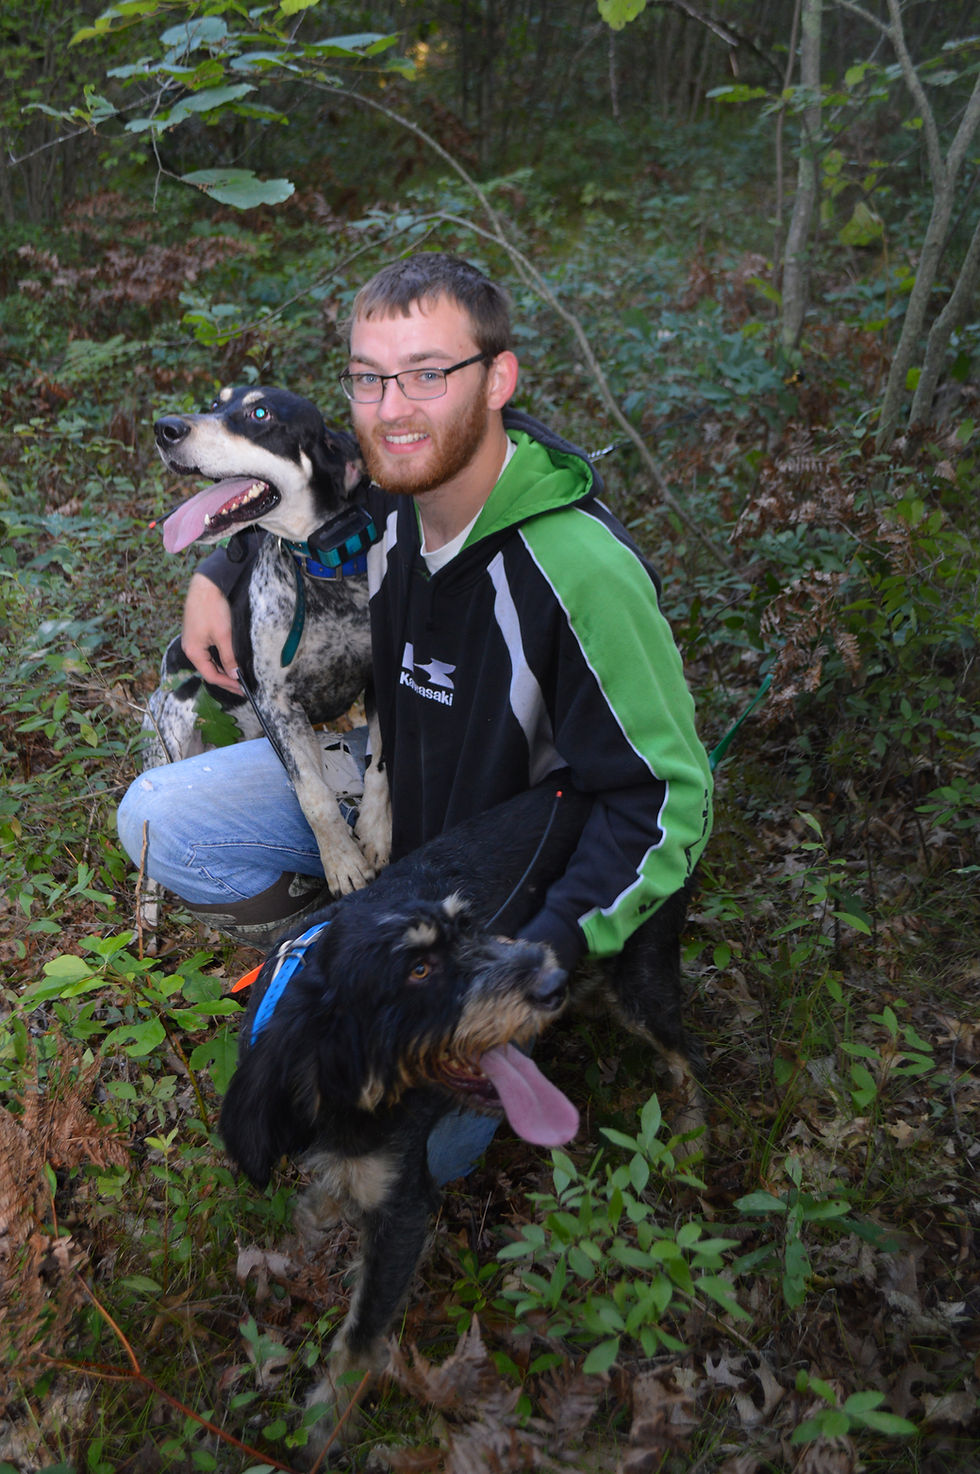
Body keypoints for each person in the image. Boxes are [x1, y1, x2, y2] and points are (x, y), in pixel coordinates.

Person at [118, 252, 713, 1181]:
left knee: (395, 1155)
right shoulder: (393, 511)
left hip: (501, 877)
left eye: (429, 374)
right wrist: (212, 572)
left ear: (499, 378)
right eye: (369, 378)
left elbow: (665, 799)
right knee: (159, 818)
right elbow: (297, 492)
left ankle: (422, 978)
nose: (393, 406)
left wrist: (543, 951)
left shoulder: (577, 570)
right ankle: (340, 924)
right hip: (399, 802)